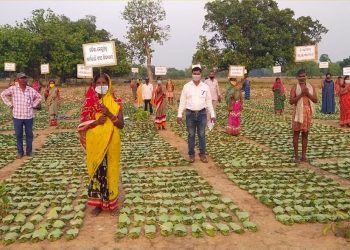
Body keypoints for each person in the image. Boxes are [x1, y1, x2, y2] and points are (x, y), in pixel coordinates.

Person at [77, 73, 125, 216]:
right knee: (97, 172)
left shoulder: (116, 102)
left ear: (109, 84)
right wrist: (96, 122)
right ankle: (98, 204)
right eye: (98, 83)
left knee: (111, 171)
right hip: (95, 145)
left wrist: (109, 114)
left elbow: (121, 125)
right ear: (94, 84)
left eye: (104, 82)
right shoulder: (89, 102)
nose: (101, 85)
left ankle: (112, 204)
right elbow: (82, 125)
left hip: (111, 143)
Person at [177, 66, 215, 163]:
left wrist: (213, 114)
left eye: (198, 74)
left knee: (202, 135)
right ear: (192, 74)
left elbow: (209, 102)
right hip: (190, 114)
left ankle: (202, 154)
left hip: (202, 113)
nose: (196, 75)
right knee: (191, 134)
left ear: (201, 74)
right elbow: (182, 101)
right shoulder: (186, 86)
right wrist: (179, 114)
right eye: (195, 73)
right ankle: (191, 154)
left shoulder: (205, 87)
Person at [0, 72, 42, 158]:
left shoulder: (30, 90)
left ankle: (29, 152)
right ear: (17, 80)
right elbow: (2, 94)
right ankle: (20, 152)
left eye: (25, 78)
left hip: (28, 116)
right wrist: (9, 104)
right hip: (17, 116)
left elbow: (39, 97)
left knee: (29, 134)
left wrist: (34, 105)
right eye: (21, 78)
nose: (23, 80)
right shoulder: (13, 89)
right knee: (19, 135)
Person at [289, 69, 317, 163]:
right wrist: (301, 94)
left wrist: (308, 93)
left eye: (303, 76)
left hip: (307, 112)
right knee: (296, 133)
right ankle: (296, 156)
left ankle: (303, 156)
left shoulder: (311, 87)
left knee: (305, 134)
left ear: (306, 76)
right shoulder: (294, 87)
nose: (302, 78)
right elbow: (291, 101)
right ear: (297, 77)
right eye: (300, 76)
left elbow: (315, 100)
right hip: (298, 112)